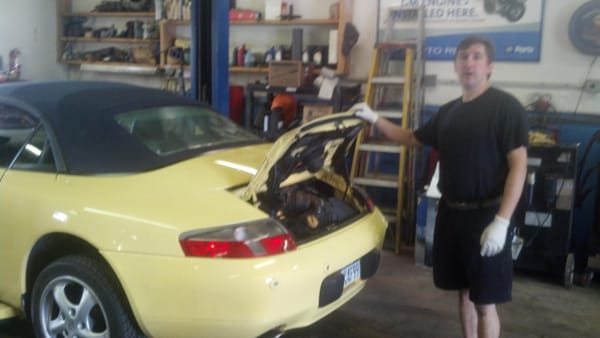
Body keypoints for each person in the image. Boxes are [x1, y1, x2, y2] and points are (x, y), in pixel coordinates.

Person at [354, 36, 528, 338]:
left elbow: (519, 166)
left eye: (476, 57)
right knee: (462, 294)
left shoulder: (506, 108)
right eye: (463, 57)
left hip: (486, 217)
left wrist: (501, 222)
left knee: (485, 302)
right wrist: (375, 118)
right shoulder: (449, 112)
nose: (468, 62)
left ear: (489, 66)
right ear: (456, 65)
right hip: (451, 214)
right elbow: (410, 137)